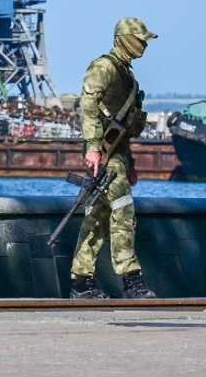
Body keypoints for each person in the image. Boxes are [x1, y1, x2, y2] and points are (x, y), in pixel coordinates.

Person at [69, 17, 157, 299]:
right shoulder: (104, 67)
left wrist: (129, 163)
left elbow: (122, 128)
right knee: (123, 210)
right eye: (140, 39)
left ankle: (81, 282)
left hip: (116, 155)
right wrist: (93, 147)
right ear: (125, 39)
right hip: (104, 155)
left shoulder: (127, 74)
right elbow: (89, 106)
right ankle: (132, 280)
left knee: (97, 216)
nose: (143, 45)